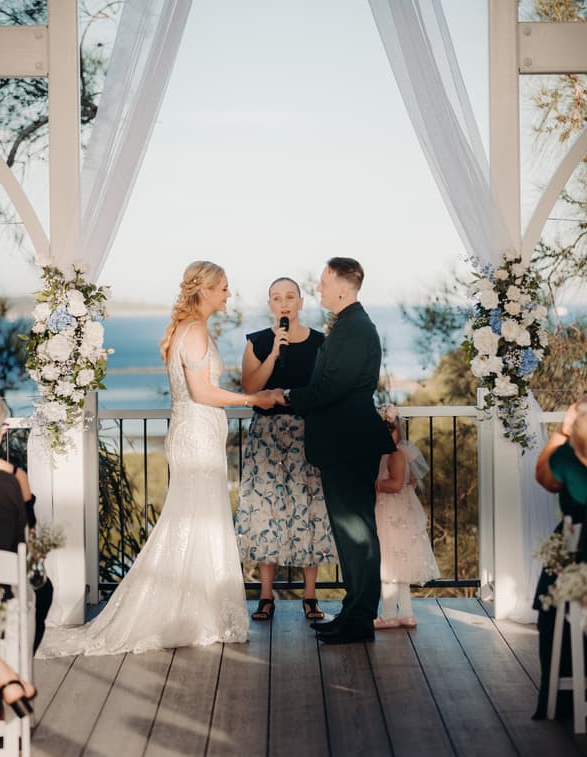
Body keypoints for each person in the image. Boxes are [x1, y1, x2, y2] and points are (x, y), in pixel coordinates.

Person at [37, 261, 276, 656]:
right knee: (198, 519)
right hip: (197, 437)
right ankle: (192, 613)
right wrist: (255, 398)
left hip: (193, 434)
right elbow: (202, 393)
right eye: (224, 288)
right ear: (205, 291)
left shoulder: (188, 329)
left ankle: (201, 611)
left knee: (196, 520)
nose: (229, 295)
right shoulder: (196, 331)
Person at [273, 257, 395, 645]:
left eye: (324, 282)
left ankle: (360, 619)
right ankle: (353, 611)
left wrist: (288, 396)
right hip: (343, 442)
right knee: (349, 534)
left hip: (349, 442)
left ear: (343, 287)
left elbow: (331, 389)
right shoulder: (349, 326)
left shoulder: (355, 329)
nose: (319, 288)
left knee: (358, 533)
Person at [234, 277, 336, 622]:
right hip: (267, 436)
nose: (284, 303)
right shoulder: (258, 342)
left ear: (301, 302)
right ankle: (266, 596)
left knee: (308, 508)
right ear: (270, 306)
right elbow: (250, 387)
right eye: (277, 298)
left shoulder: (322, 343)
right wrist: (275, 352)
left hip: (309, 433)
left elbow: (326, 389)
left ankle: (310, 597)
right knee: (267, 511)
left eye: (290, 296)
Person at [532, 397, 587, 719]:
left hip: (578, 545)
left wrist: (562, 433)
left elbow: (544, 477)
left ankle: (562, 699)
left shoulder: (566, 456)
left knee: (551, 607)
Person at [0, 390, 53, 654]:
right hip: (0, 589)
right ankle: (17, 661)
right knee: (44, 590)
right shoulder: (14, 479)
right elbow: (29, 539)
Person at [373, 405, 439, 629]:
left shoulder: (394, 454)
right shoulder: (403, 451)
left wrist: (374, 484)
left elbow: (396, 484)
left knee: (389, 563)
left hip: (391, 512)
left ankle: (390, 614)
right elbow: (409, 482)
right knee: (398, 563)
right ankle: (407, 613)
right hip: (402, 511)